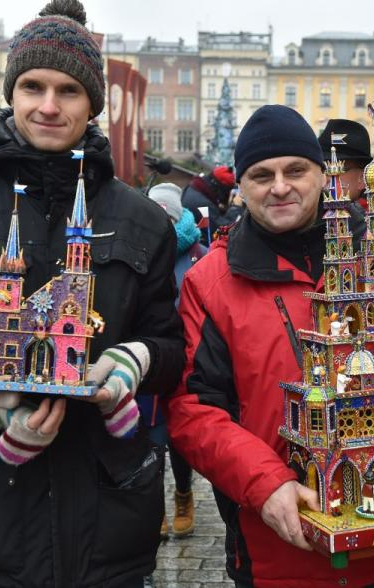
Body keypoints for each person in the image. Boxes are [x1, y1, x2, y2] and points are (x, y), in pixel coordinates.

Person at [0, 2, 184, 586]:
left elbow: (169, 349)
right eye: (32, 85)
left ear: (92, 103)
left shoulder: (142, 221)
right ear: (11, 92)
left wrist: (133, 361)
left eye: (68, 89)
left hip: (109, 529)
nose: (49, 105)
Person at [168, 104, 374, 587]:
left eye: (296, 170)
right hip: (279, 551)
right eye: (261, 174)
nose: (280, 186)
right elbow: (193, 408)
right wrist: (265, 483)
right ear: (241, 186)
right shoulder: (213, 282)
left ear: (323, 174)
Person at [147, 182, 206, 539]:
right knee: (150, 440)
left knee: (179, 440)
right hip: (149, 359)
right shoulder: (142, 249)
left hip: (187, 361)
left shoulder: (198, 253)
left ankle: (183, 495)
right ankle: (152, 508)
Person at [317, 119, 372, 207]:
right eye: (322, 169)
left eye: (335, 170)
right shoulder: (308, 214)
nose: (324, 179)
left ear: (362, 179)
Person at [181, 165, 239, 242]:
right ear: (221, 188)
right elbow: (222, 233)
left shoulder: (196, 187)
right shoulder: (203, 205)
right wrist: (236, 208)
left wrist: (222, 209)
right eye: (228, 191)